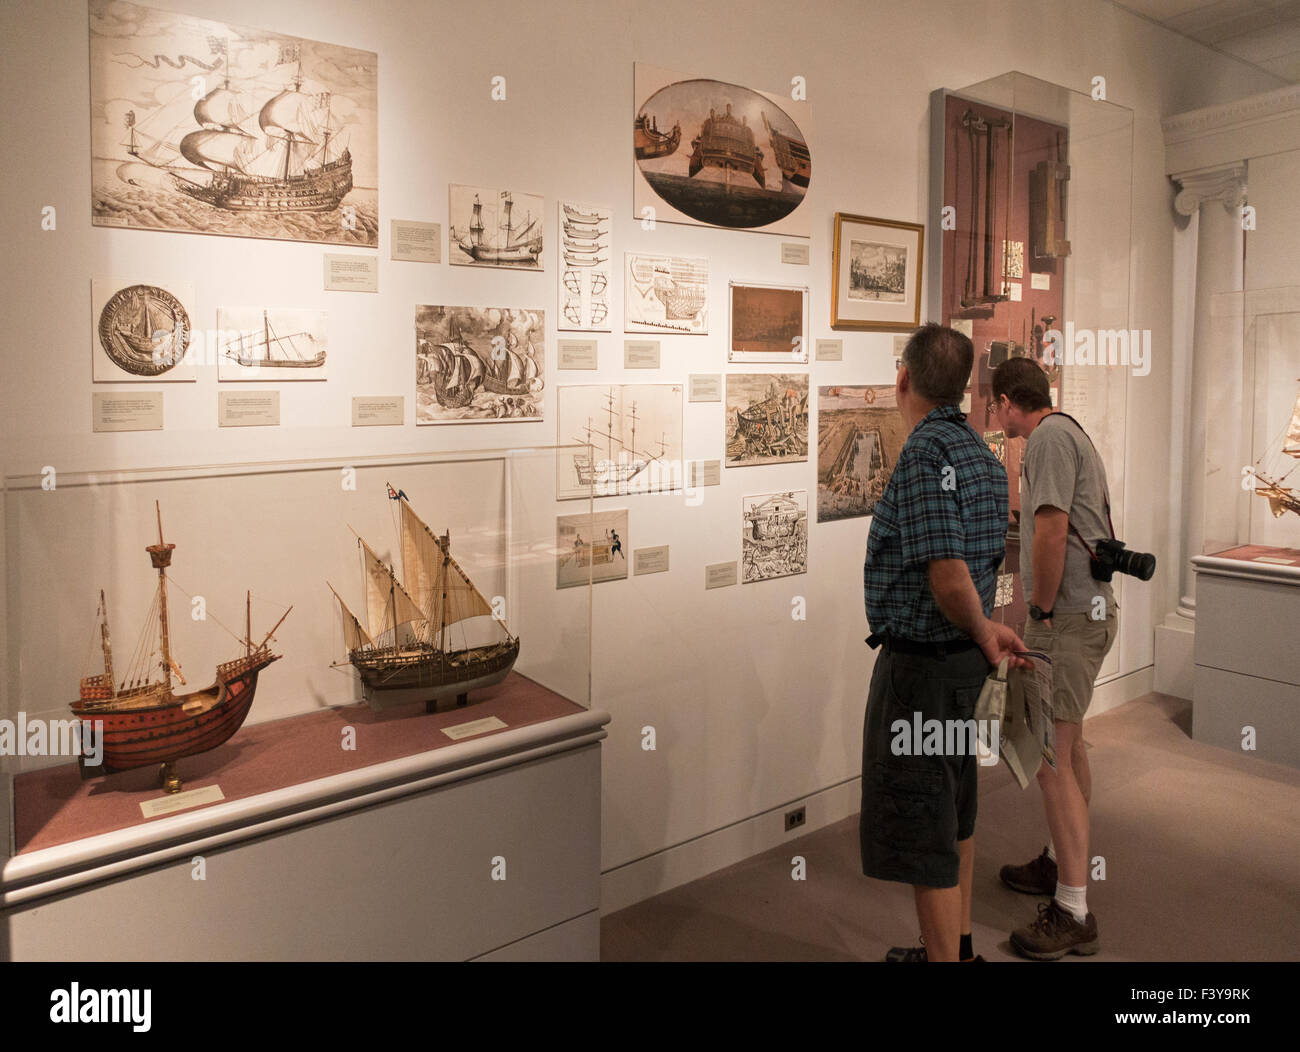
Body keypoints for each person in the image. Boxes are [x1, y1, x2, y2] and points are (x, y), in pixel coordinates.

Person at [862, 323, 1027, 963]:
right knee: (954, 811)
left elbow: (948, 574)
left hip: (925, 673)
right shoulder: (981, 455)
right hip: (960, 671)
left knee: (922, 824)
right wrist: (984, 635)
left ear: (904, 378)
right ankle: (955, 950)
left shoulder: (927, 457)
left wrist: (985, 632)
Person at [990, 356, 1118, 960]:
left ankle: (1073, 908)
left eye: (998, 407)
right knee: (1072, 747)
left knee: (1050, 761)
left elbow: (1049, 529)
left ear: (1012, 402)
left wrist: (1037, 612)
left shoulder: (1044, 441)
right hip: (1083, 613)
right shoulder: (1068, 432)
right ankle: (1057, 860)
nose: (998, 417)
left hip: (1065, 618)